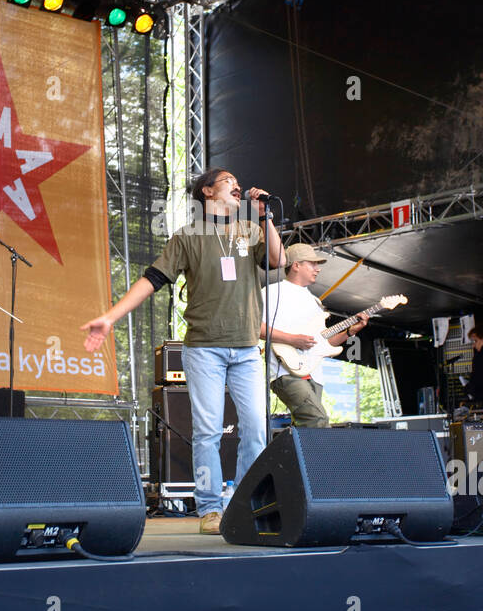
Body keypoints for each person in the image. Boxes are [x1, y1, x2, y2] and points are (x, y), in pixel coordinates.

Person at [82, 169, 283, 534]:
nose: (237, 185)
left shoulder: (250, 230)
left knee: (255, 428)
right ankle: (209, 508)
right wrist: (110, 317)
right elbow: (152, 279)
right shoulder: (188, 236)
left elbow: (276, 260)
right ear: (207, 191)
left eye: (238, 182)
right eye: (227, 180)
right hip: (204, 348)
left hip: (246, 350)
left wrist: (265, 215)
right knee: (208, 431)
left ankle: (244, 502)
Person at [260, 243, 368, 427]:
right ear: (296, 265)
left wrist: (350, 331)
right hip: (285, 371)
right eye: (312, 264)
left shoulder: (314, 301)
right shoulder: (272, 292)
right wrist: (292, 340)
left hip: (313, 373)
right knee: (317, 420)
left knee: (305, 429)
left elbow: (322, 343)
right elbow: (255, 327)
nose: (317, 269)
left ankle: (296, 456)